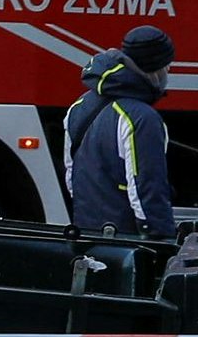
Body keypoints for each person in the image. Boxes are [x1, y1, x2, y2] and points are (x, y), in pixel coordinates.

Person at [68, 25, 177, 235]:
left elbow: (72, 176)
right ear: (155, 69)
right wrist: (160, 236)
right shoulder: (142, 118)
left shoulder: (79, 106)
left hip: (87, 232)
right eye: (167, 66)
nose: (168, 72)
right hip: (124, 238)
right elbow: (146, 187)